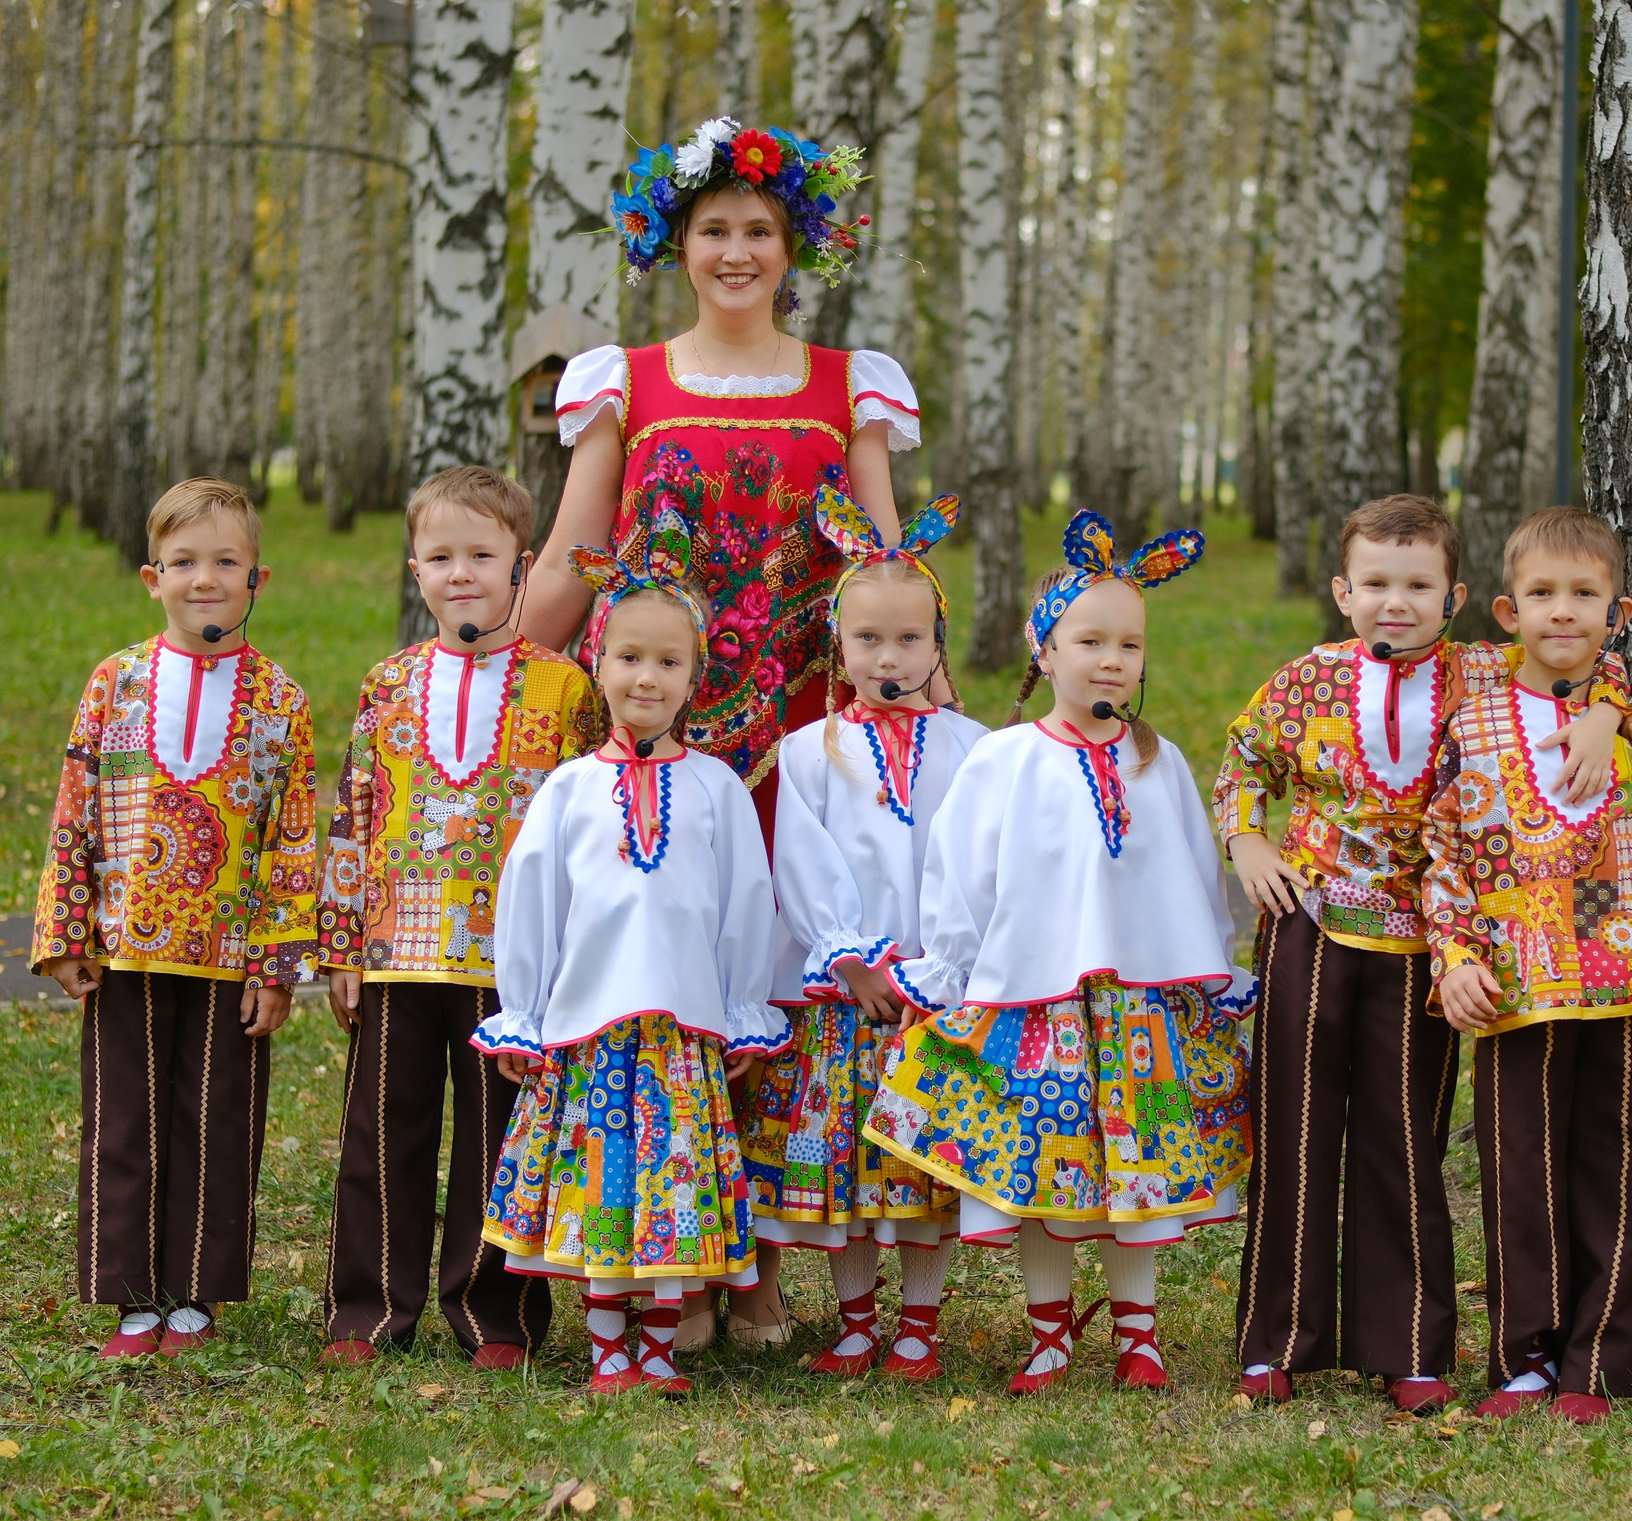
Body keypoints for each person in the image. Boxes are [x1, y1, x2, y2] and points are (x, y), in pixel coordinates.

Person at [523, 115, 915, 1349]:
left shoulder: (845, 384)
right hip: (657, 721)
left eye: (759, 232)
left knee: (778, 975)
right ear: (674, 243)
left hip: (801, 729)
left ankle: (753, 1257)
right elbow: (573, 554)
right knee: (666, 975)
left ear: (793, 248)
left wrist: (925, 686)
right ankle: (654, 1246)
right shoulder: (621, 385)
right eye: (714, 231)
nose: (737, 252)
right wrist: (493, 660)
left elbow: (883, 565)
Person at [1214, 494, 1626, 1412]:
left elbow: (1585, 665)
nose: (1393, 602)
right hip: (1310, 928)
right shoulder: (1304, 680)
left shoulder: (1486, 673)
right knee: (1297, 1133)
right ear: (1342, 590)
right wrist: (1247, 840)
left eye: (1417, 585)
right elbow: (1243, 761)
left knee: (1406, 1142)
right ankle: (1276, 1339)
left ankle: (1409, 1345)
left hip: (1429, 943)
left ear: (1456, 597)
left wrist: (1603, 717)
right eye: (1374, 583)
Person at [864, 512, 1254, 1396]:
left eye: (1129, 643)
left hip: (1138, 1005)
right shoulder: (1005, 761)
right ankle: (1048, 1333)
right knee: (1048, 1167)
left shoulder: (1163, 764)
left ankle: (1138, 1335)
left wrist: (1215, 973)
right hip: (1034, 1002)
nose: (1112, 659)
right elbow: (959, 875)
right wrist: (957, 974)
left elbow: (1196, 876)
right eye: (1090, 639)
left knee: (1136, 1173)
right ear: (1044, 650)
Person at [1422, 506, 1632, 1422]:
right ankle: (1524, 1358)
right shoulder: (1472, 719)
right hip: (1516, 990)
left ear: (1619, 611)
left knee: (1618, 1174)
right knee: (1520, 1174)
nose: (1564, 611)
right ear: (1508, 612)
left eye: (1585, 595)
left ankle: (1598, 1364)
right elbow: (1445, 852)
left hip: (1628, 989)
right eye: (1544, 594)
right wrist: (1454, 956)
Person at [477, 504, 788, 1398]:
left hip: (682, 1032)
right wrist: (528, 1015)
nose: (645, 677)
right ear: (597, 663)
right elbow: (532, 904)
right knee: (608, 1195)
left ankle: (660, 1343)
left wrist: (738, 1013)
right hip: (592, 1034)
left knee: (670, 1192)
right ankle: (608, 1344)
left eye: (667, 660)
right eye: (627, 657)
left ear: (696, 675)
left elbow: (744, 908)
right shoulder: (571, 791)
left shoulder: (718, 788)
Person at [315, 466, 597, 1370]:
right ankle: (366, 1311)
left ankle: (496, 1314)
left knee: (498, 1141)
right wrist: (342, 942)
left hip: (510, 966)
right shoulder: (387, 683)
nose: (461, 573)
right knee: (380, 1134)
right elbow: (354, 810)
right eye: (441, 557)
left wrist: (572, 958)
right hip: (399, 952)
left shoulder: (565, 690)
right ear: (415, 570)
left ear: (523, 566)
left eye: (482, 554)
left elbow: (589, 824)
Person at [31, 477, 317, 1360]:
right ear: (152, 577)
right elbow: (75, 805)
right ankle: (130, 1298)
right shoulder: (115, 683)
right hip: (125, 950)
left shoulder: (279, 700)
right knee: (125, 1119)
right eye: (185, 562)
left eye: (225, 562)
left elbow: (293, 841)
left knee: (217, 1120)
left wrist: (278, 966)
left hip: (231, 960)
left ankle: (195, 1293)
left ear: (256, 579)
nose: (206, 579)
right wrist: (66, 932)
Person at [738, 488, 985, 1381]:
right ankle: (855, 1320)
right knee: (850, 1166)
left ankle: (917, 1323)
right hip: (848, 995)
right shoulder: (812, 749)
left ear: (937, 643)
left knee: (919, 1168)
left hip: (932, 997)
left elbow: (975, 864)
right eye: (869, 639)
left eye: (909, 639)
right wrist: (844, 952)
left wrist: (937, 966)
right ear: (838, 646)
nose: (889, 656)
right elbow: (800, 857)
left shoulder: (973, 748)